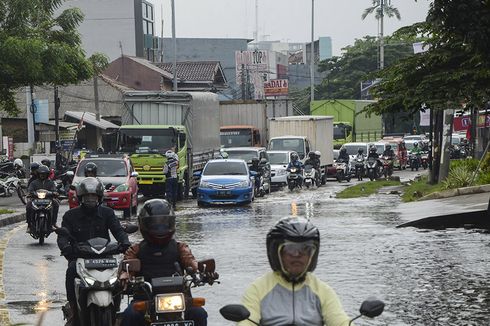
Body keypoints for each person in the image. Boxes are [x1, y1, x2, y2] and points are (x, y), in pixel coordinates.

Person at [240, 217, 351, 326]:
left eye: (305, 249)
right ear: (277, 254)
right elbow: (246, 322)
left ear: (311, 255)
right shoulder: (257, 289)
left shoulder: (323, 291)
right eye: (290, 249)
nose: (297, 255)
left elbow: (340, 320)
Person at [119, 199, 212, 326]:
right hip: (146, 298)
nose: (160, 229)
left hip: (179, 298)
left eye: (164, 224)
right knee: (130, 315)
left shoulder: (180, 247)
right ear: (144, 225)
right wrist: (125, 275)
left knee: (199, 313)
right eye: (155, 225)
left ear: (171, 223)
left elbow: (189, 259)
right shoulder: (136, 249)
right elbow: (127, 265)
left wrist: (200, 270)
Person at [57, 177, 131, 326]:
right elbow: (63, 236)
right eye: (87, 197)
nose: (90, 199)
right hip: (80, 258)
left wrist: (125, 242)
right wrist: (66, 248)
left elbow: (118, 230)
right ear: (80, 198)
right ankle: (73, 309)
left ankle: (116, 309)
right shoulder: (70, 216)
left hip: (105, 258)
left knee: (121, 279)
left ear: (99, 197)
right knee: (70, 272)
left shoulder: (107, 213)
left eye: (93, 196)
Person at [26, 165, 59, 231]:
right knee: (28, 205)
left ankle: (53, 223)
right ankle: (29, 225)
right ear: (38, 174)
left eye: (44, 174)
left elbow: (54, 190)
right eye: (41, 174)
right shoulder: (33, 182)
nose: (42, 175)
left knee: (56, 204)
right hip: (36, 199)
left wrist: (54, 193)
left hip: (48, 199)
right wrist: (30, 194)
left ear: (47, 174)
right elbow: (30, 190)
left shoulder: (51, 183)